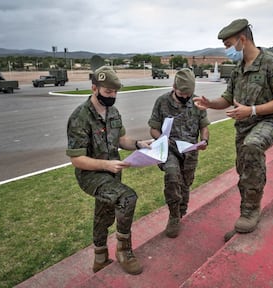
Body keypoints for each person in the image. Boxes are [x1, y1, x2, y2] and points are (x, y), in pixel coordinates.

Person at [193, 19, 273, 241]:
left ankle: (250, 211)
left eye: (229, 45)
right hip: (244, 127)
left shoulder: (271, 63)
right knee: (245, 170)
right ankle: (247, 207)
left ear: (242, 39)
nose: (227, 50)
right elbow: (228, 99)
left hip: (269, 122)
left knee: (252, 146)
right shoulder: (238, 70)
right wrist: (210, 103)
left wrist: (253, 110)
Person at [66, 66, 152, 275]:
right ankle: (124, 251)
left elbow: (121, 139)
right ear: (94, 88)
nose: (112, 96)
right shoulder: (80, 117)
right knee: (127, 198)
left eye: (115, 92)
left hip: (112, 172)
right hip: (92, 175)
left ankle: (100, 259)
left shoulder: (113, 111)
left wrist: (140, 144)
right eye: (107, 92)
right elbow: (77, 159)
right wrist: (105, 165)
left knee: (103, 214)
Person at [148, 68, 210, 238]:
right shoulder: (162, 102)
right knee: (172, 176)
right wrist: (161, 139)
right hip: (169, 149)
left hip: (189, 151)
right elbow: (153, 129)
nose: (185, 97)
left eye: (188, 93)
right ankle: (174, 216)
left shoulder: (197, 102)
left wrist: (204, 141)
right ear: (174, 86)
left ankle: (181, 210)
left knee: (185, 183)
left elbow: (204, 126)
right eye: (182, 93)